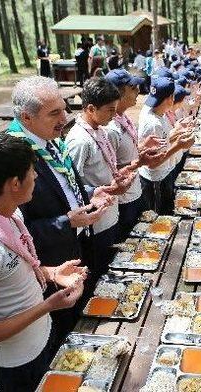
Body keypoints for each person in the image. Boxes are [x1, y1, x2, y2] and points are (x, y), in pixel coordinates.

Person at [0, 133, 87, 392]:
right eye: (33, 172)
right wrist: (47, 306)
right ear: (14, 184)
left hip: (40, 338)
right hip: (17, 362)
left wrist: (53, 272)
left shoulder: (9, 216)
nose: (36, 177)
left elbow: (14, 271)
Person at [6, 76, 114, 348]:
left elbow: (66, 186)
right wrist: (64, 222)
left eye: (64, 108)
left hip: (77, 246)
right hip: (50, 262)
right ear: (26, 118)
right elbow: (14, 231)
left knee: (80, 317)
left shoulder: (51, 139)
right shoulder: (14, 155)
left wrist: (90, 194)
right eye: (54, 113)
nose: (65, 118)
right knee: (61, 333)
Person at [66, 78, 135, 273]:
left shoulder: (99, 131)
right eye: (110, 110)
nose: (114, 116)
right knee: (100, 275)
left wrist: (121, 176)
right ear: (90, 109)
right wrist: (113, 188)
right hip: (96, 224)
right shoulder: (79, 141)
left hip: (111, 215)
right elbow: (73, 187)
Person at [104, 69, 166, 234]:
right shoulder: (110, 128)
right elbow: (110, 170)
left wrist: (142, 146)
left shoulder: (124, 118)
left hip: (135, 191)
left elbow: (125, 155)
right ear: (118, 93)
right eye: (133, 87)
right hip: (124, 200)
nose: (139, 91)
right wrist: (140, 162)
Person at [138, 76, 194, 214]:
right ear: (170, 99)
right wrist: (178, 146)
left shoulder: (159, 114)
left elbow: (163, 140)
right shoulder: (154, 123)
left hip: (164, 173)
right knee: (160, 217)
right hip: (156, 178)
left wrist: (177, 133)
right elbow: (153, 163)